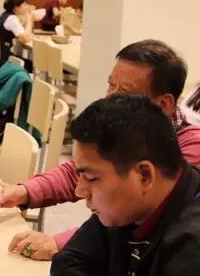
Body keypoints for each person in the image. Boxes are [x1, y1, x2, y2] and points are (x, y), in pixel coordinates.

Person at [0, 39, 200, 262]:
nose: (110, 97)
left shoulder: (189, 150)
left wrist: (59, 243)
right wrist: (23, 191)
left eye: (125, 91)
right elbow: (78, 171)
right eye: (111, 84)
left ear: (163, 104)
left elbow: (128, 223)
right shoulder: (125, 130)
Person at [50, 95, 200, 275]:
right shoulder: (125, 209)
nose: (80, 191)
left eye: (91, 178)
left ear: (144, 175)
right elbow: (68, 262)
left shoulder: (191, 248)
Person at [0, 0, 33, 66]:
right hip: (6, 60)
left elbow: (23, 34)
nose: (26, 7)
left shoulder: (5, 14)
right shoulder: (12, 19)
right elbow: (26, 39)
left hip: (2, 56)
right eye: (24, 4)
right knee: (30, 65)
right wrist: (29, 18)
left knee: (26, 62)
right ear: (16, 7)